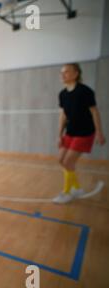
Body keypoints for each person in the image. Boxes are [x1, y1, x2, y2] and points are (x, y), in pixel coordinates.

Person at [53, 63, 106, 204]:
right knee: (61, 160)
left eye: (66, 72)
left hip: (85, 132)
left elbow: (94, 112)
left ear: (76, 74)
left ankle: (67, 193)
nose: (62, 75)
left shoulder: (85, 91)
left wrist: (99, 132)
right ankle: (76, 188)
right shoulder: (62, 94)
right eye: (61, 72)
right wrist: (59, 135)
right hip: (70, 131)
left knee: (68, 161)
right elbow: (63, 115)